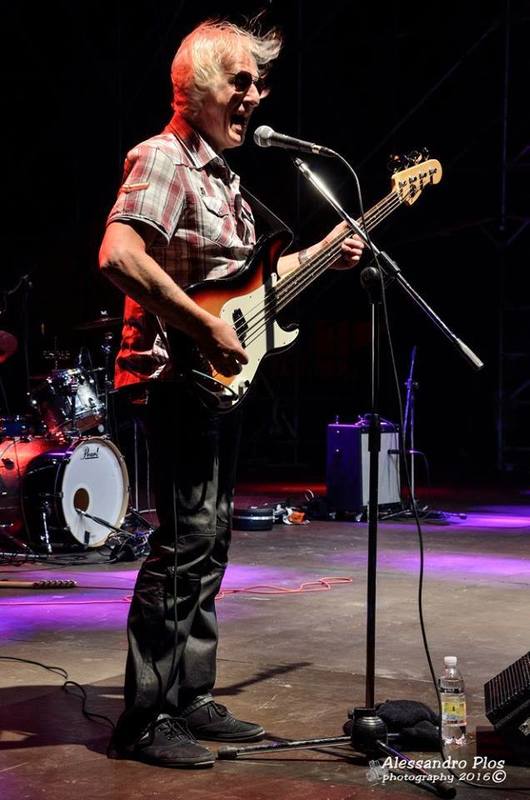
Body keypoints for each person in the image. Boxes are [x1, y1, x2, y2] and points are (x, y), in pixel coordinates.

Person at [99, 18, 364, 769]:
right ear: (195, 86)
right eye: (240, 80)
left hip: (218, 384)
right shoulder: (164, 158)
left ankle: (190, 696)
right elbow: (118, 254)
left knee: (210, 542)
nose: (255, 94)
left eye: (259, 83)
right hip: (174, 379)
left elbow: (251, 290)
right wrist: (203, 326)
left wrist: (325, 254)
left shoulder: (226, 181)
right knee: (181, 545)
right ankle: (143, 720)